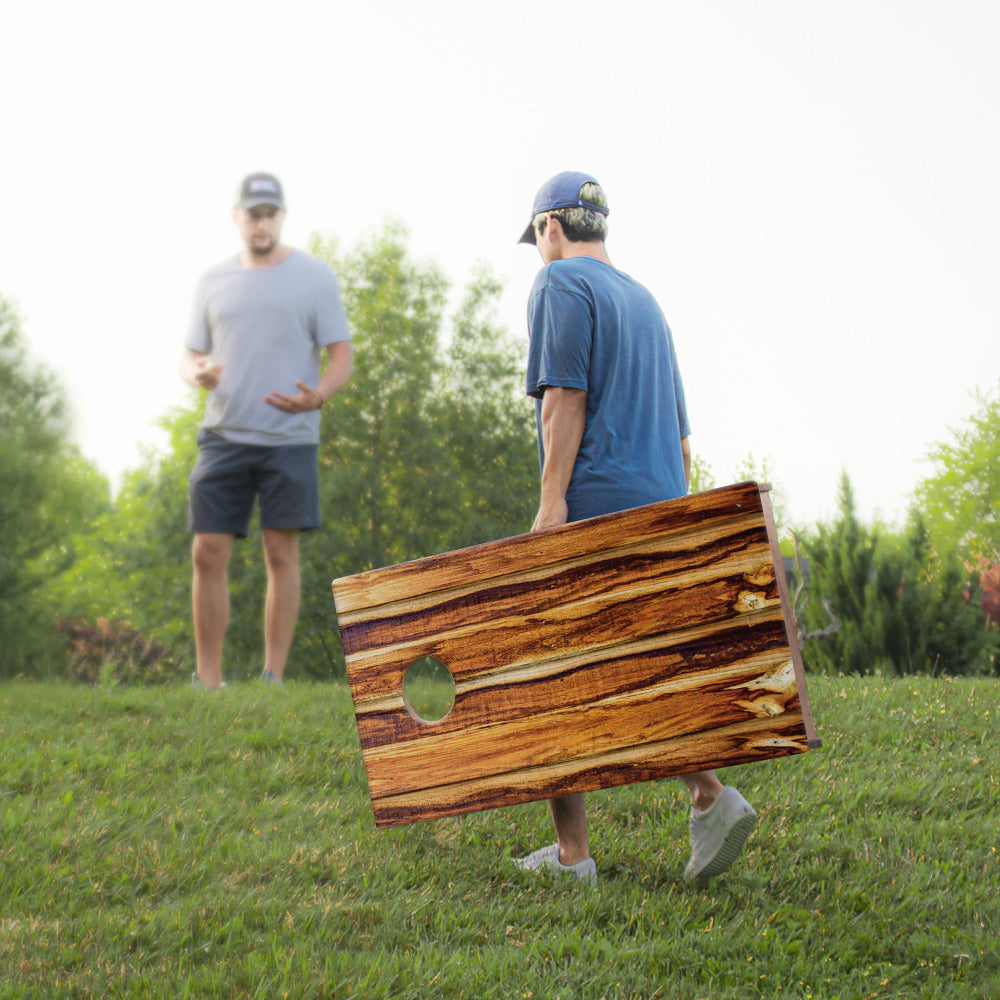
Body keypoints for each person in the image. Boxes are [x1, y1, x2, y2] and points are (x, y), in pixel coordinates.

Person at [513, 171, 757, 886]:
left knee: (554, 669)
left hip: (594, 497)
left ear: (551, 227)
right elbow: (682, 438)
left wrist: (552, 501)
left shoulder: (561, 285)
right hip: (661, 499)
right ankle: (710, 795)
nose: (536, 249)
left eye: (534, 236)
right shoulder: (648, 304)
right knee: (639, 666)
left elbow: (565, 398)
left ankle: (572, 857)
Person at [181, 172, 353, 689]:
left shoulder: (315, 277)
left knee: (281, 552)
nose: (261, 222)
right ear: (238, 216)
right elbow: (190, 356)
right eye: (253, 213)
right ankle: (208, 679)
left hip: (289, 438)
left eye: (270, 213)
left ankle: (272, 676)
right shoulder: (212, 280)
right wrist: (198, 373)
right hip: (223, 436)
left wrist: (318, 395)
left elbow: (342, 355)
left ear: (281, 216)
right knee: (206, 550)